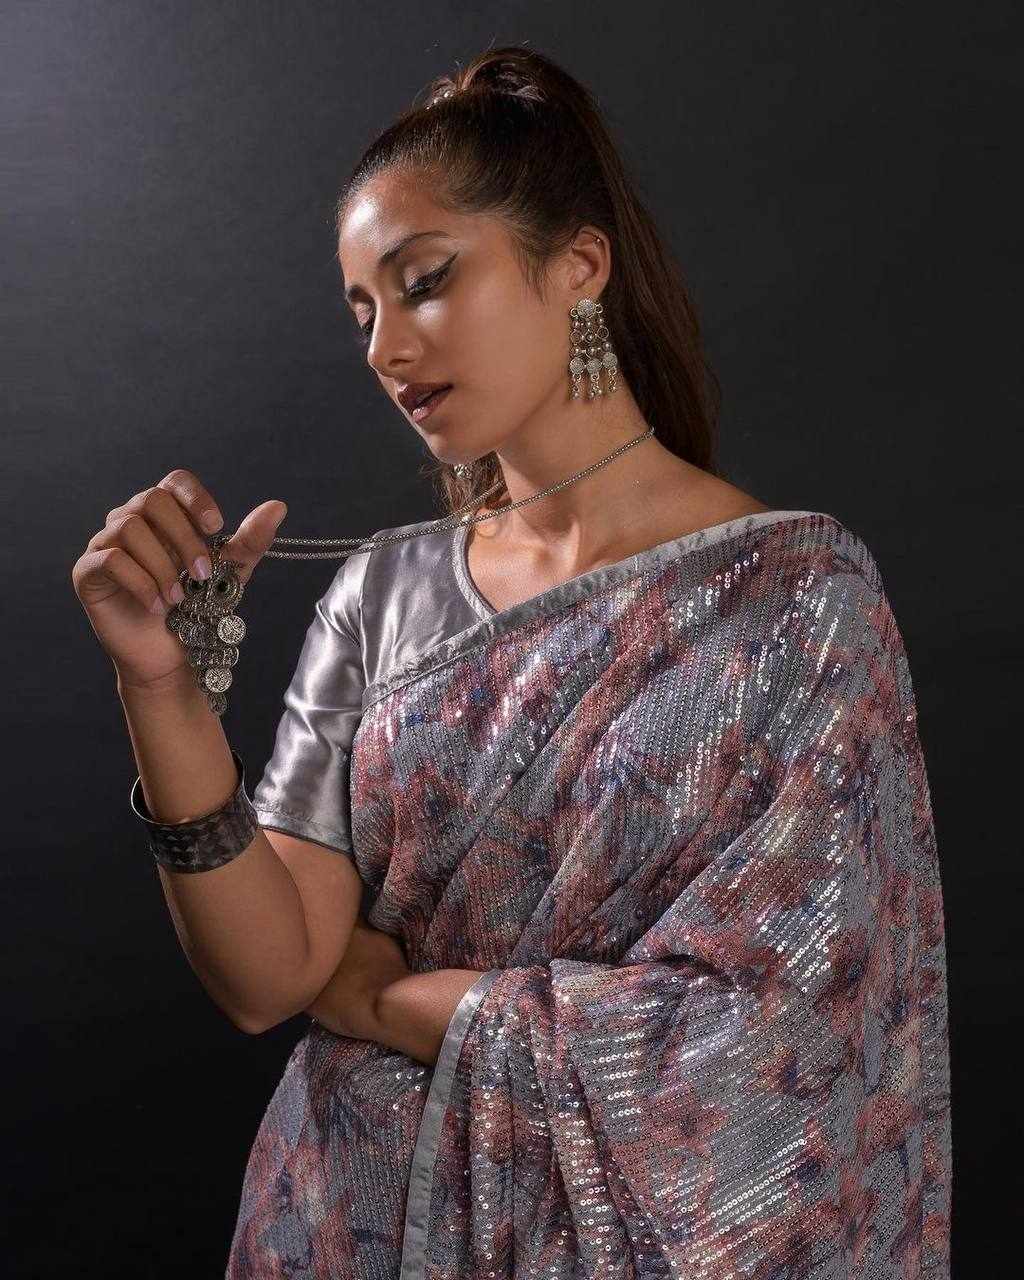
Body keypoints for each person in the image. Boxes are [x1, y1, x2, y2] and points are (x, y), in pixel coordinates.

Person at [72, 44, 951, 1280]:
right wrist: (159, 689)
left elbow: (784, 1034)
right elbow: (268, 976)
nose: (384, 348)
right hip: (347, 1224)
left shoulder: (795, 600)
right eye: (362, 313)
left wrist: (386, 1001)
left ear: (579, 266)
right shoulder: (383, 595)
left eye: (424, 282)